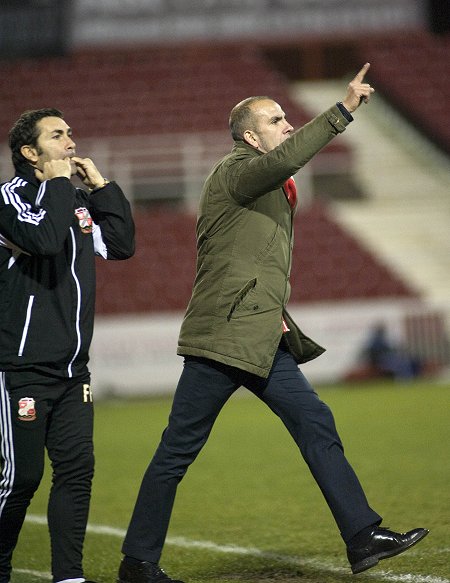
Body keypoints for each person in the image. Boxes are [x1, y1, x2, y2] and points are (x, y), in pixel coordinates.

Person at [117, 64, 428, 583]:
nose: (287, 124)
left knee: (315, 421)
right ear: (249, 136)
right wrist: (343, 110)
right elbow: (289, 157)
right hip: (223, 338)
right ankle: (137, 561)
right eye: (276, 119)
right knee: (177, 450)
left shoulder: (267, 180)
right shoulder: (235, 171)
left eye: (286, 117)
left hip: (262, 336)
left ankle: (361, 536)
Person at [0, 108, 135, 583]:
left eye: (70, 133)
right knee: (20, 479)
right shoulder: (8, 200)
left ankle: (70, 577)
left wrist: (101, 190)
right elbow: (41, 238)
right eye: (57, 136)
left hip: (73, 371)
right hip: (21, 369)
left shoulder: (74, 200)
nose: (71, 142)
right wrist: (61, 186)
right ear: (30, 152)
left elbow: (119, 245)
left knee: (76, 474)